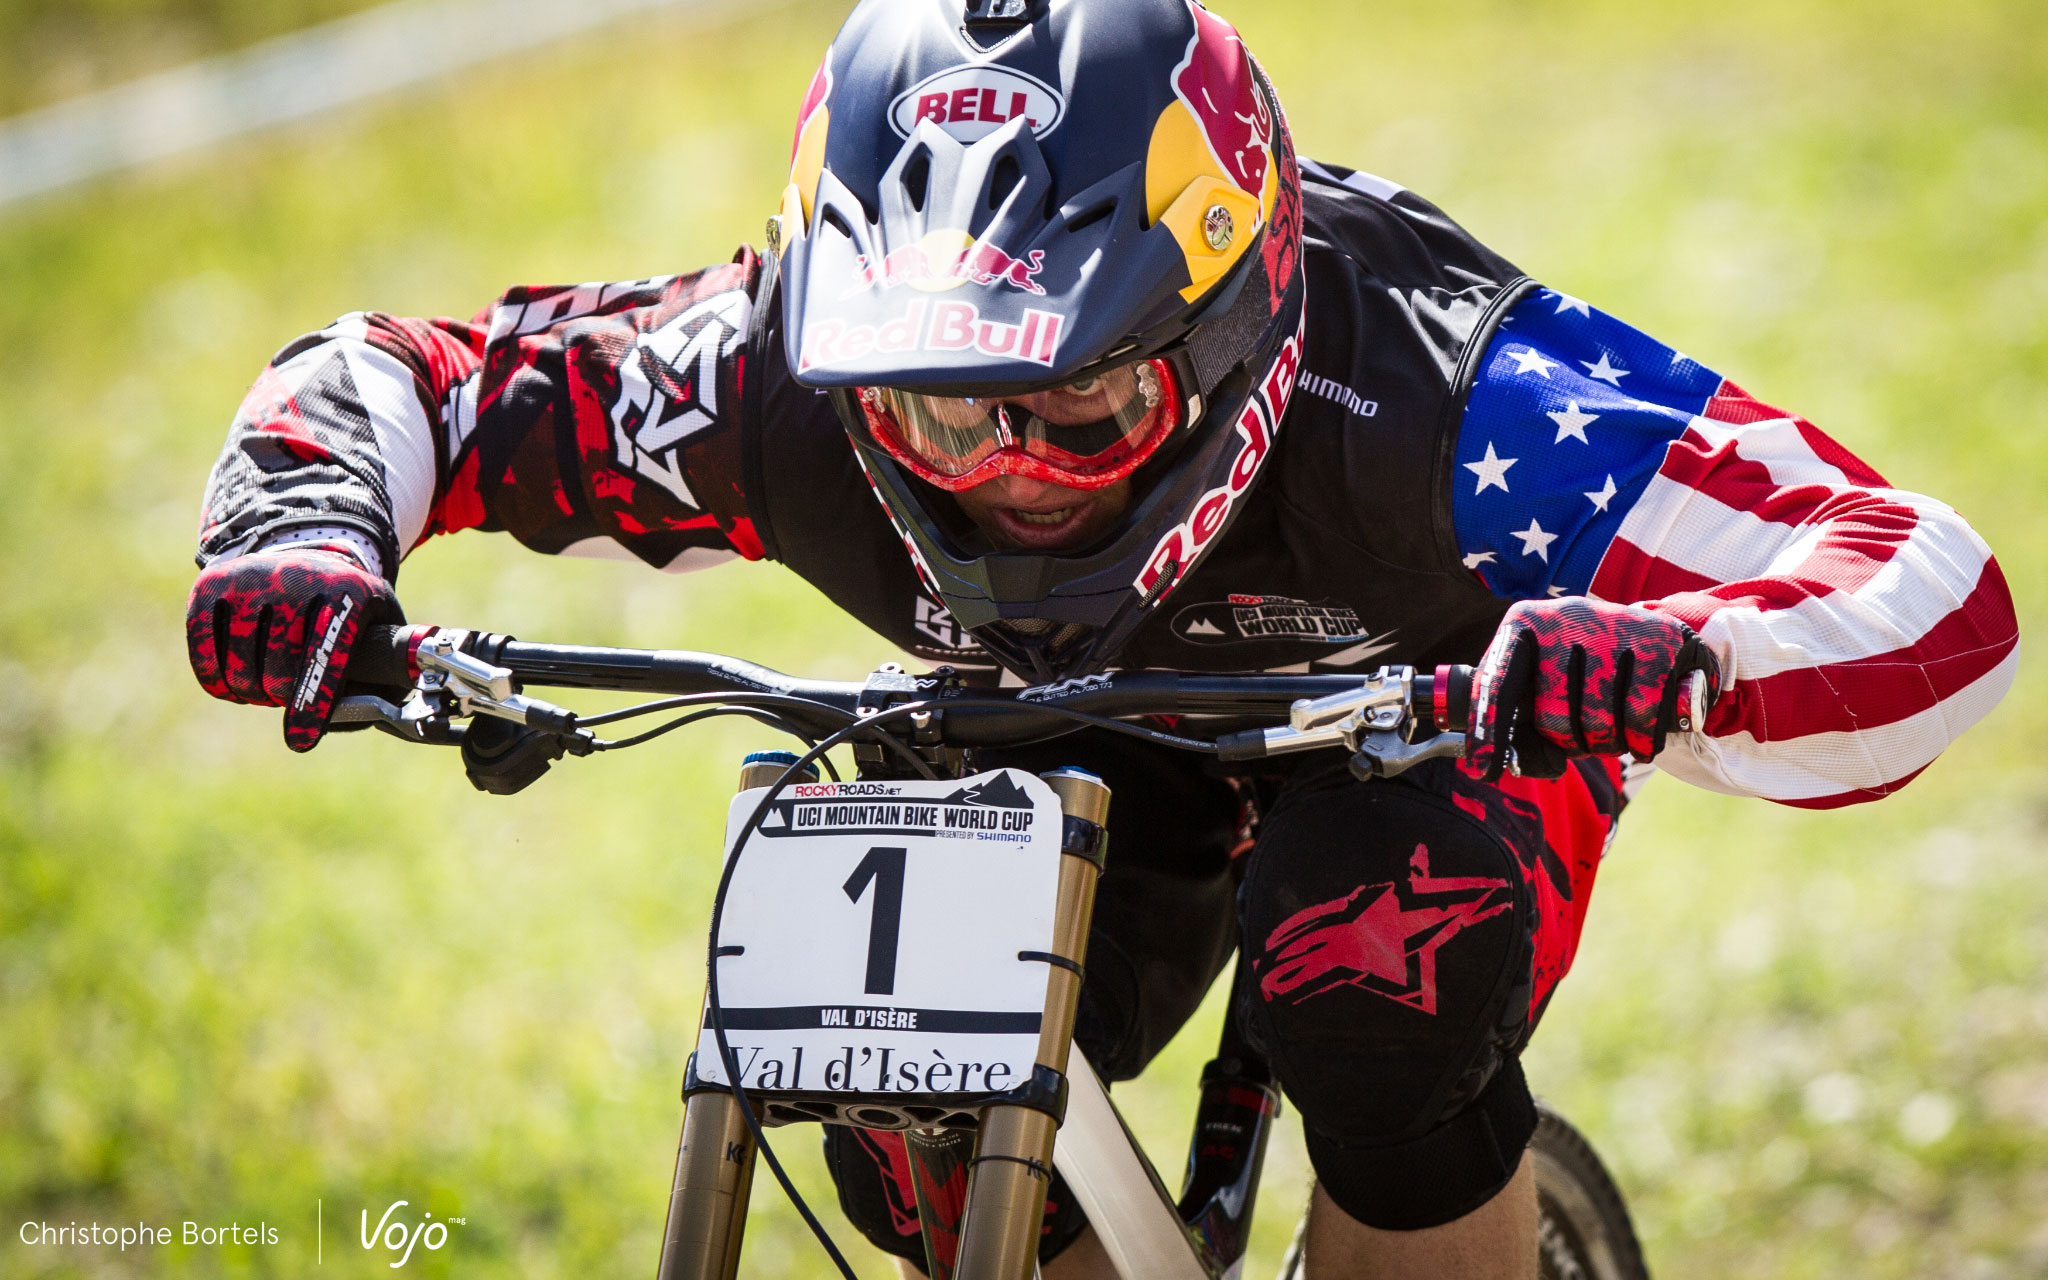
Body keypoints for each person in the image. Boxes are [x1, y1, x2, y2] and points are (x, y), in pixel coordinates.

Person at [181, 1, 2019, 1275]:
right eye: (932, 414)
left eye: (1083, 413)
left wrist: (1683, 660)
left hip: (1431, 723)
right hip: (1055, 732)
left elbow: (1933, 587)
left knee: (1372, 968)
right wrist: (302, 536)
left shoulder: (1465, 387)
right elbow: (402, 376)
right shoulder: (769, 376)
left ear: (1238, 337)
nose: (1006, 480)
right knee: (884, 1078)